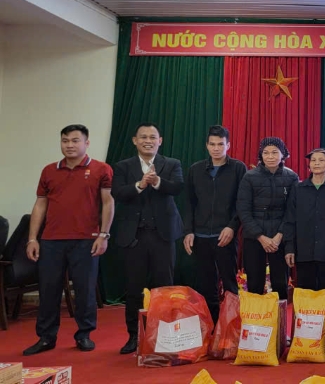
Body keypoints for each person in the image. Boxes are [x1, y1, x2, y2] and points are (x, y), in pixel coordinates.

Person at [23, 125, 114, 355]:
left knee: (84, 290)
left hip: (86, 240)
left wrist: (103, 234)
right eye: (65, 141)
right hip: (51, 240)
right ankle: (46, 337)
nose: (70, 145)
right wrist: (32, 238)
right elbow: (40, 204)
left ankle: (84, 334)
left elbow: (108, 203)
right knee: (48, 290)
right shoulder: (49, 171)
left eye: (75, 140)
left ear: (86, 143)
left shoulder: (101, 169)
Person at [111, 122, 184, 355]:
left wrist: (158, 182)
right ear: (135, 140)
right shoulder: (123, 166)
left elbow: (177, 187)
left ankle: (166, 335)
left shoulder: (171, 164)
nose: (148, 141)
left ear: (160, 141)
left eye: (153, 137)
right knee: (134, 288)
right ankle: (134, 336)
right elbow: (117, 192)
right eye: (143, 137)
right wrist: (140, 185)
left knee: (165, 288)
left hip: (163, 236)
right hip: (134, 237)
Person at [183, 125, 247, 324]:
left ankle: (231, 327)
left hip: (225, 235)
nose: (216, 148)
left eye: (220, 144)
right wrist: (189, 231)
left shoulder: (238, 168)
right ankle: (211, 326)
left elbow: (242, 203)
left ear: (228, 145)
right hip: (200, 237)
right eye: (212, 144)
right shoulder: (195, 170)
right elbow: (189, 203)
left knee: (229, 284)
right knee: (206, 285)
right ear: (207, 146)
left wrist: (232, 227)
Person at [236, 137, 298, 300]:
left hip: (280, 239)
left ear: (283, 154)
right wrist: (260, 237)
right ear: (261, 155)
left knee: (280, 284)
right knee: (254, 284)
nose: (270, 156)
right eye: (266, 153)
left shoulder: (291, 177)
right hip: (254, 237)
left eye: (274, 152)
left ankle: (279, 316)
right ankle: (256, 316)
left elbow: (292, 211)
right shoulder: (249, 177)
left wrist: (279, 236)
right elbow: (243, 210)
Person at [284, 148, 325, 290]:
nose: (317, 163)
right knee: (306, 294)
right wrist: (289, 248)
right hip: (304, 252)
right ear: (309, 165)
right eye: (313, 160)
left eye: (321, 160)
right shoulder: (298, 188)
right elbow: (290, 220)